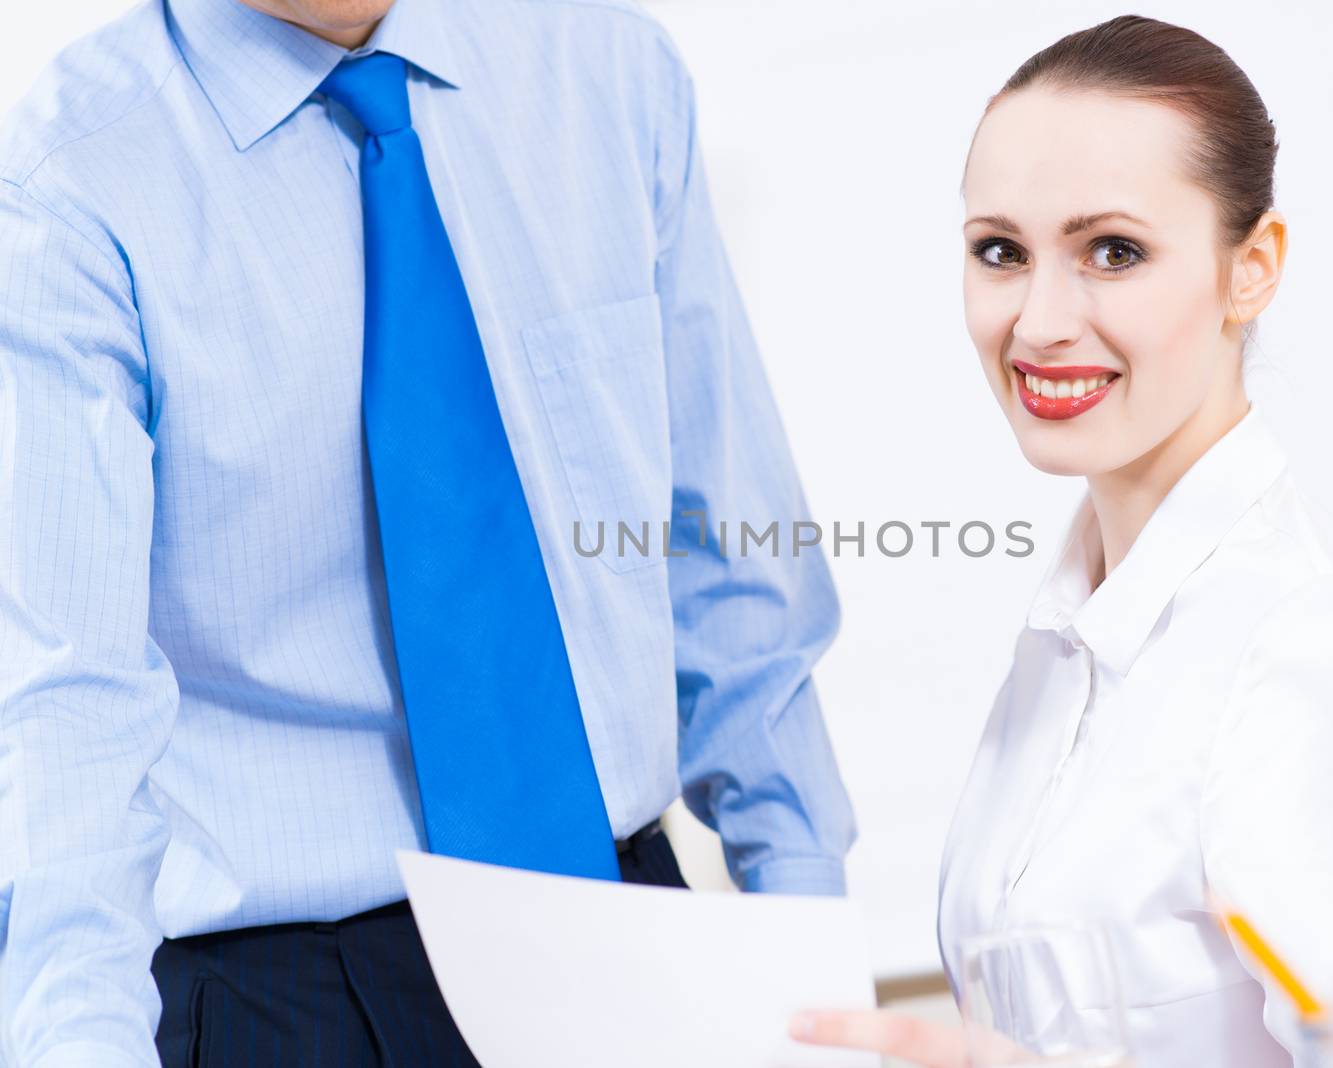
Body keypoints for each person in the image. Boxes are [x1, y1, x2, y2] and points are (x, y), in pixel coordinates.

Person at [0, 0, 856, 1064]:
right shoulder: (63, 188)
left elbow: (720, 542)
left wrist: (808, 934)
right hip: (284, 994)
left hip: (633, 931)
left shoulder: (607, 67)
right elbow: (58, 716)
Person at [792, 14, 1333, 1067]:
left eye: (1112, 251)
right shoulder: (1068, 640)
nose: (1038, 322)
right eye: (1000, 252)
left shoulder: (1306, 654)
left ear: (1251, 268)